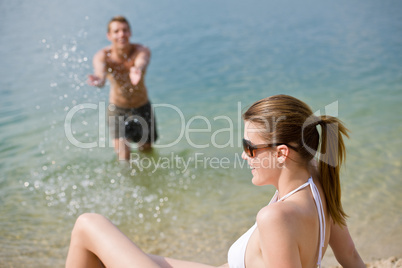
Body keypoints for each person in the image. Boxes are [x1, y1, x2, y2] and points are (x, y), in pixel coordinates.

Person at [66, 95, 365, 267]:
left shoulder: (276, 218)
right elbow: (349, 256)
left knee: (88, 225)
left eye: (250, 147)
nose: (244, 156)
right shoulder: (317, 180)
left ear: (282, 153)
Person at [87, 16, 158, 160]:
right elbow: (100, 72)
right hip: (117, 110)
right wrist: (99, 80)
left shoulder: (141, 50)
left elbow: (142, 60)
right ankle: (128, 180)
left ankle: (147, 180)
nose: (121, 34)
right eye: (116, 31)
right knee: (124, 156)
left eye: (125, 30)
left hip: (142, 107)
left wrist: (137, 68)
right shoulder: (103, 56)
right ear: (109, 36)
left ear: (130, 33)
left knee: (147, 153)